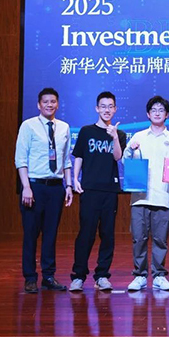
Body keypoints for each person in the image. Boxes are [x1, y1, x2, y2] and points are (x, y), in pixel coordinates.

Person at [15, 87, 74, 293]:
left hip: (56, 188)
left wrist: (69, 185)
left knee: (51, 234)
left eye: (53, 101)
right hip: (34, 187)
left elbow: (66, 160)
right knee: (31, 234)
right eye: (46, 102)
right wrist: (26, 187)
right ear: (39, 105)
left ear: (57, 104)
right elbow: (21, 159)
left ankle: (49, 276)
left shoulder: (64, 127)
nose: (50, 105)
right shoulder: (28, 125)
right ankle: (30, 277)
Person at [68, 91, 127, 292]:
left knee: (107, 234)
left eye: (110, 106)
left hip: (110, 189)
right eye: (103, 106)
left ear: (115, 109)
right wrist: (75, 179)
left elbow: (117, 157)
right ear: (97, 108)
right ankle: (78, 276)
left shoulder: (119, 134)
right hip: (89, 189)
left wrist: (114, 137)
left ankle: (102, 275)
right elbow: (79, 156)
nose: (107, 110)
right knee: (86, 233)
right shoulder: (86, 131)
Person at [122, 95, 169, 292]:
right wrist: (130, 150)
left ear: (167, 114)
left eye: (161, 110)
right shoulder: (138, 137)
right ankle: (139, 275)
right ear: (148, 114)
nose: (157, 113)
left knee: (160, 239)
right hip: (140, 197)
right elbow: (126, 162)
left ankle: (159, 276)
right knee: (139, 238)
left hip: (163, 195)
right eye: (153, 110)